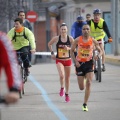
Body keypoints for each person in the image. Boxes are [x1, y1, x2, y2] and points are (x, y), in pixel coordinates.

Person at [70, 24, 102, 111]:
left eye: (87, 29)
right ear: (82, 31)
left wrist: (98, 56)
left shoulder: (93, 41)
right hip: (80, 64)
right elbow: (71, 51)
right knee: (81, 88)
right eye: (84, 29)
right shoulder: (77, 40)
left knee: (89, 83)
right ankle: (83, 78)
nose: (86, 30)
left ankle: (85, 104)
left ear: (89, 31)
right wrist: (75, 61)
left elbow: (100, 51)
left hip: (89, 63)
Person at [48, 23, 74, 102]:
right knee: (62, 75)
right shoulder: (56, 38)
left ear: (67, 30)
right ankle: (62, 88)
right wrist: (52, 53)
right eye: (62, 29)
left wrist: (68, 48)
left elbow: (75, 49)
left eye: (64, 29)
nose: (63, 31)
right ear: (60, 30)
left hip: (68, 60)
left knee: (67, 78)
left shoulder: (70, 39)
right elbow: (49, 44)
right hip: (59, 60)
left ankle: (67, 94)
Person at [0, 31, 22, 104]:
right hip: (16, 47)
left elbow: (11, 62)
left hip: (23, 48)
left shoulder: (2, 38)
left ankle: (27, 66)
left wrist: (14, 89)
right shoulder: (12, 31)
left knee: (25, 58)